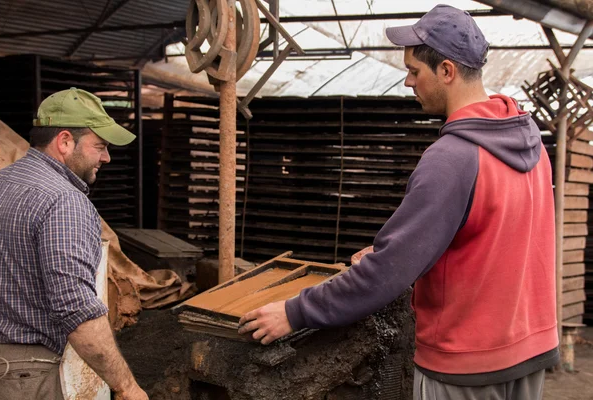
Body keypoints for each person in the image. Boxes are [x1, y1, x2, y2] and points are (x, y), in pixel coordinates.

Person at [239, 4, 559, 399]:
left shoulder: (453, 157)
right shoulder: (531, 144)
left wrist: (294, 312)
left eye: (414, 71)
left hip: (468, 364)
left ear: (446, 71)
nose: (408, 82)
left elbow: (386, 275)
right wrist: (413, 246)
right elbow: (499, 238)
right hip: (530, 349)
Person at [0, 87, 147, 400]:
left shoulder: (0, 183)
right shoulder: (64, 202)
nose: (106, 157)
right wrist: (127, 387)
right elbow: (75, 308)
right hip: (28, 378)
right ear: (64, 141)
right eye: (100, 146)